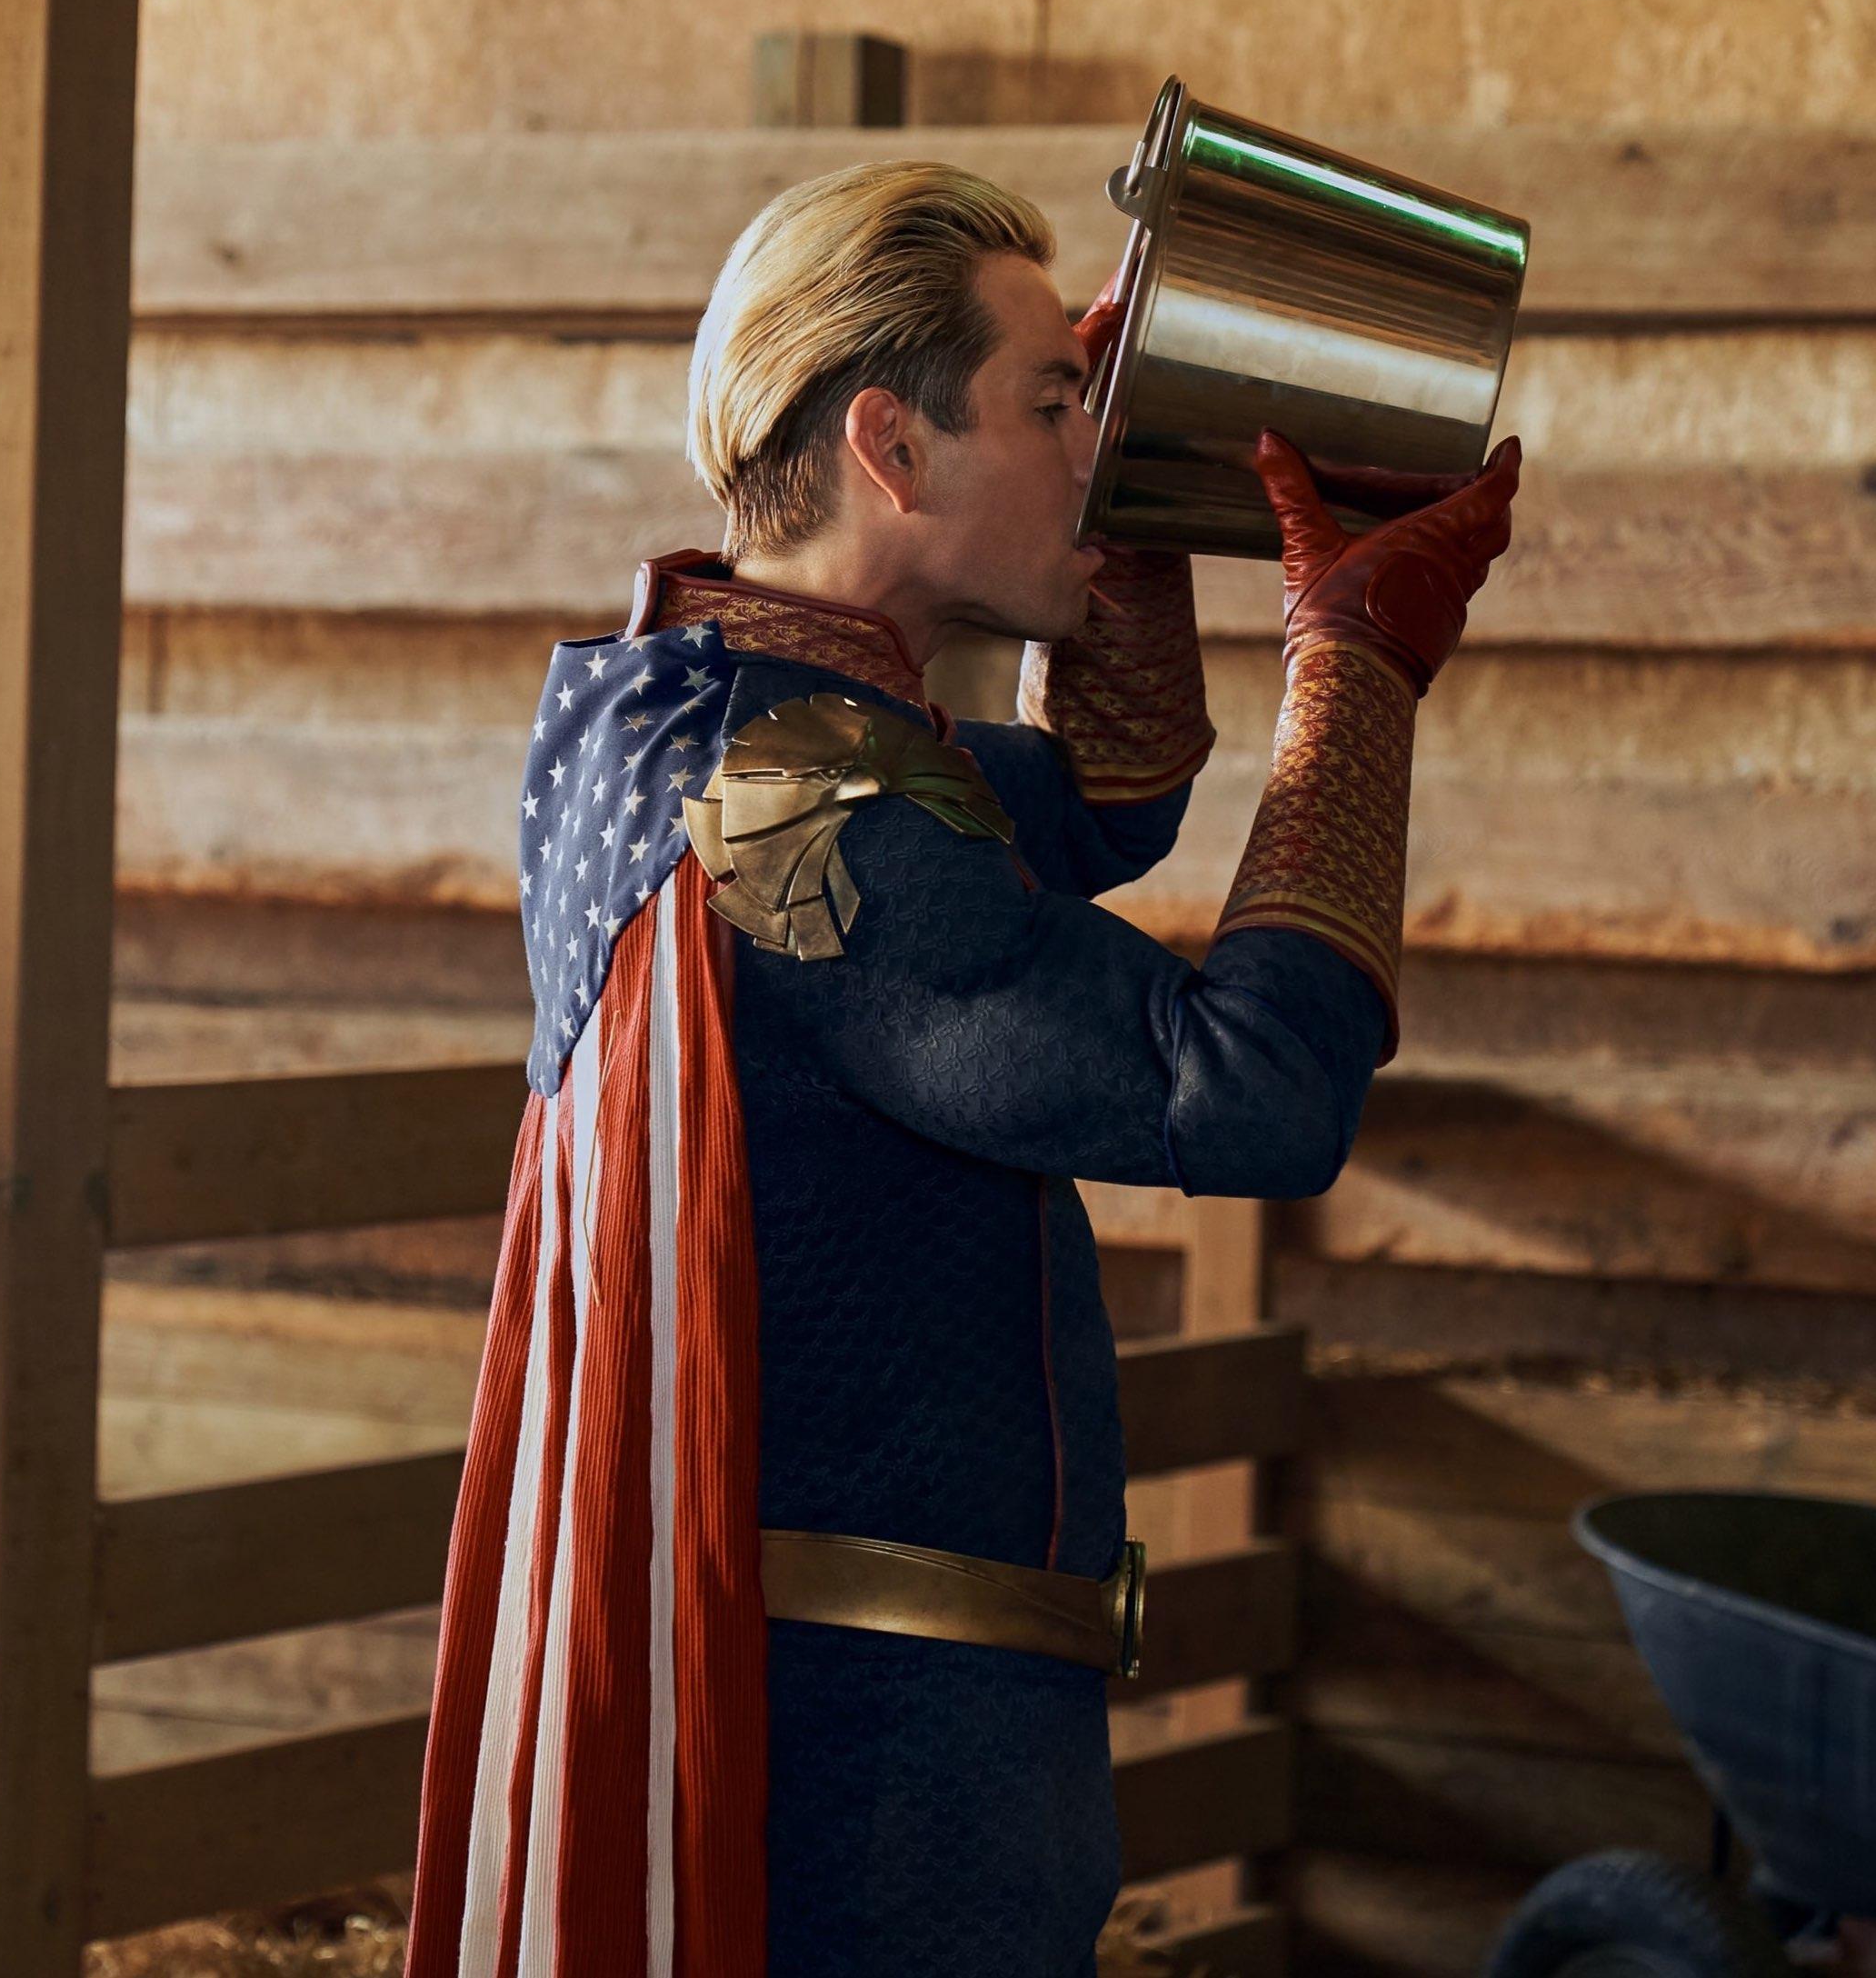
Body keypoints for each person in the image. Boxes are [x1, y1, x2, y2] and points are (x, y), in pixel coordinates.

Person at [404, 160, 1523, 1978]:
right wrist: (1358, 667)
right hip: (873, 1782)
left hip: (860, 1719)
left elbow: (1097, 799)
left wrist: (1135, 519)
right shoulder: (796, 808)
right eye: (1055, 402)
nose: (1090, 440)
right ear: (892, 450)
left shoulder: (701, 712)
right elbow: (1245, 1087)